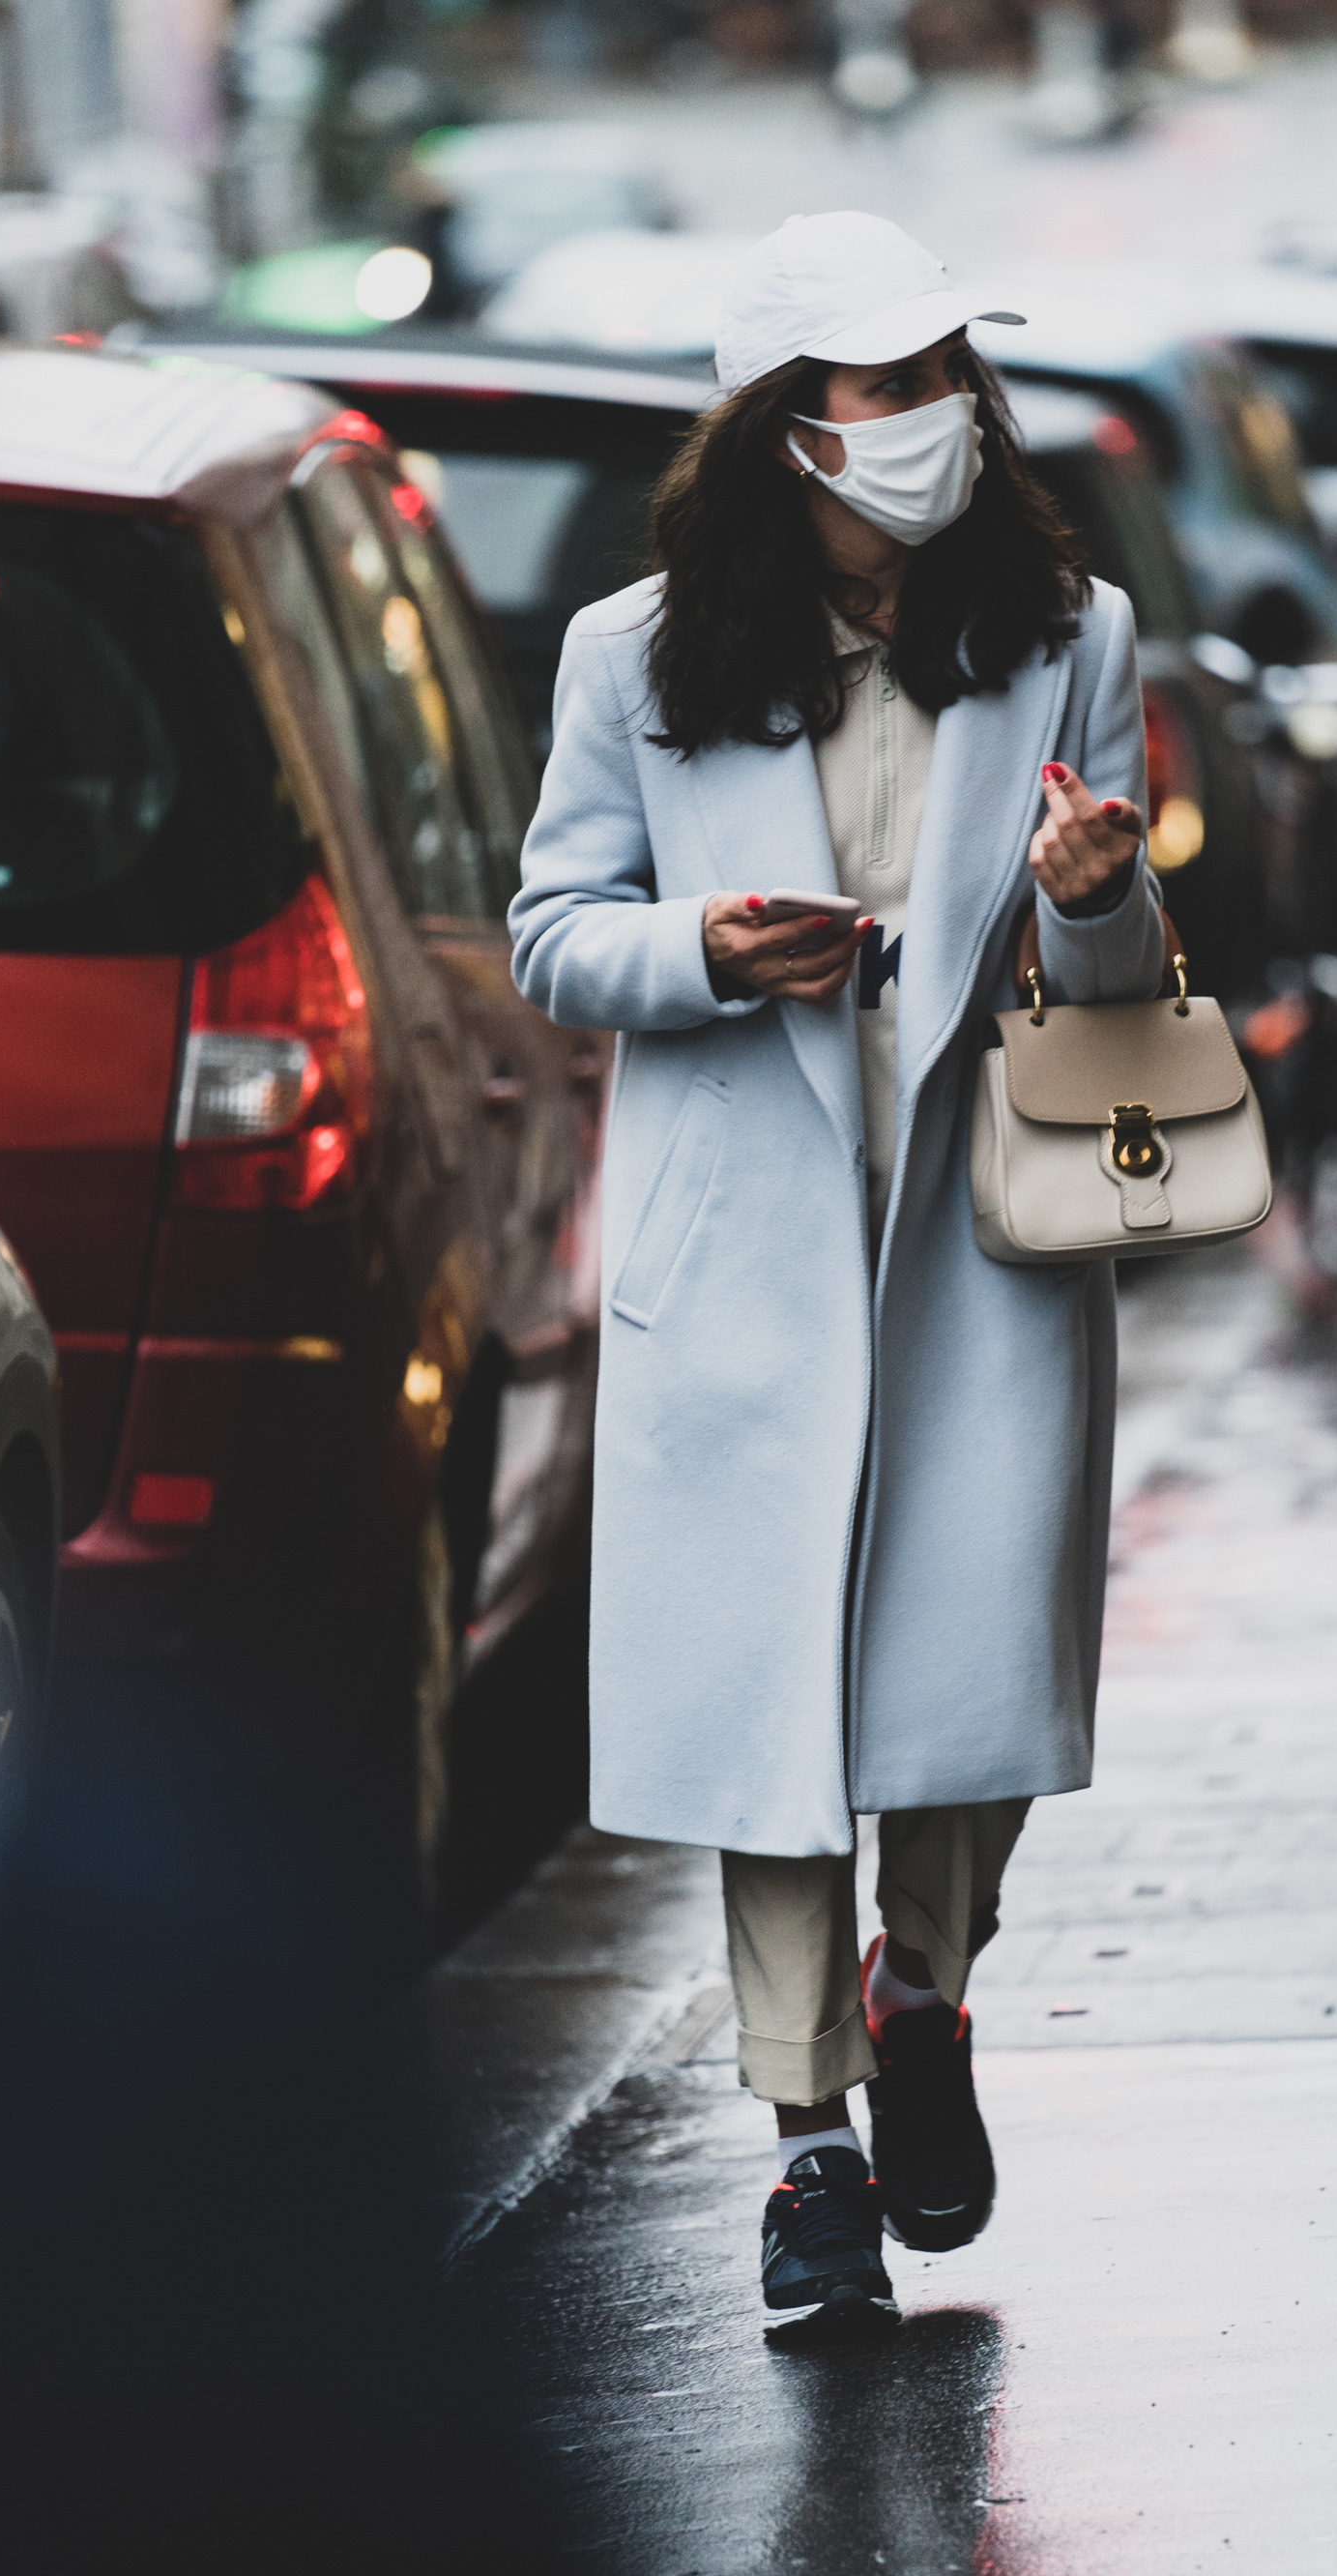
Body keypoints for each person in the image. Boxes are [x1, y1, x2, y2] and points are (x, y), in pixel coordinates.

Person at [509, 210, 1165, 2333]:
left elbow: (1123, 987)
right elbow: (551, 931)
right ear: (787, 428)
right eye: (888, 384)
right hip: (750, 1237)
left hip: (980, 1222)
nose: (935, 417)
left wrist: (1088, 895)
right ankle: (808, 2150)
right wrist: (698, 956)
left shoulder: (1075, 635)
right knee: (766, 1706)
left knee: (961, 1685)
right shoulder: (636, 653)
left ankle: (929, 1998)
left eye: (950, 371)